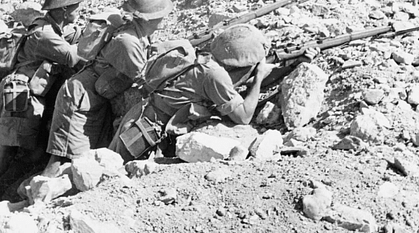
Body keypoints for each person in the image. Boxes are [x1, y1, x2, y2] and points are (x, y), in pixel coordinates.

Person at [109, 24, 318, 163]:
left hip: (141, 118)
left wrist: (292, 65)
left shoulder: (208, 58)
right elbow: (244, 116)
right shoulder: (215, 75)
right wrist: (260, 76)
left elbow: (238, 87)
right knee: (110, 178)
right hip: (144, 134)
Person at [41, 0, 173, 177]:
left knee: (85, 160)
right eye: (160, 14)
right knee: (64, 157)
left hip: (95, 96)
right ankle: (39, 198)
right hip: (80, 98)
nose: (163, 18)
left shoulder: (139, 34)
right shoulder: (128, 41)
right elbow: (144, 78)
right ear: (147, 18)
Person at [0, 0, 85, 205]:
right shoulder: (44, 33)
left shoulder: (50, 26)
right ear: (64, 10)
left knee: (30, 151)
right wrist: (96, 37)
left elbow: (69, 37)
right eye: (77, 8)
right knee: (9, 148)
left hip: (29, 92)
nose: (80, 11)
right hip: (20, 91)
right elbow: (71, 57)